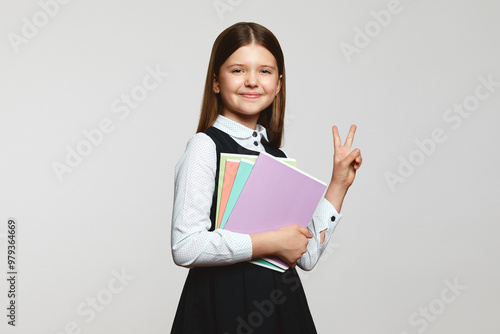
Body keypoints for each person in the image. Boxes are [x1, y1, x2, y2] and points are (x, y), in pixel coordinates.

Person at [171, 22, 362, 334]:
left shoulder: (279, 159)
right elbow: (186, 246)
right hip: (221, 304)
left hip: (280, 308)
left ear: (278, 85)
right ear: (216, 81)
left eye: (264, 71)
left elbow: (307, 255)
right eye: (237, 70)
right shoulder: (204, 147)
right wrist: (272, 241)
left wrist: (339, 183)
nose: (251, 81)